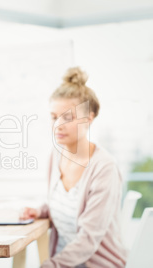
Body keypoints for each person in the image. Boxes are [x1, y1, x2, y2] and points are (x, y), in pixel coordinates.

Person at [20, 67, 127, 267]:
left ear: (89, 118)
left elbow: (88, 239)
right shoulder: (55, 156)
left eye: (67, 118)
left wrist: (49, 266)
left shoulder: (104, 168)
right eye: (54, 117)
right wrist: (41, 211)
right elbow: (66, 205)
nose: (58, 125)